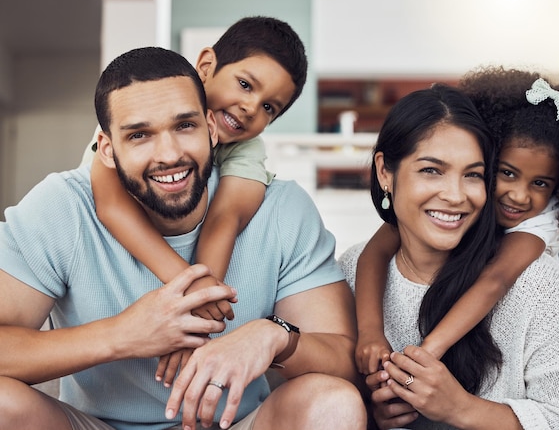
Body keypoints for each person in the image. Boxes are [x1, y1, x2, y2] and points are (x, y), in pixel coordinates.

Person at [0, 47, 366, 430]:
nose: (169, 154)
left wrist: (273, 337)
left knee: (333, 404)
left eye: (184, 126)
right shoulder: (63, 206)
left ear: (210, 127)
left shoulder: (281, 208)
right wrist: (123, 335)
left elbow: (343, 359)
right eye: (139, 135)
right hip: (95, 425)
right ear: (106, 149)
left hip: (236, 425)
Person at [339, 84, 559, 429]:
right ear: (385, 172)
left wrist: (460, 408)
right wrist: (374, 410)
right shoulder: (349, 269)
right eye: (431, 170)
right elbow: (373, 253)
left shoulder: (539, 283)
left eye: (473, 174)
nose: (454, 195)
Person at [84, 16, 308, 384]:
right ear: (206, 66)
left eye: (270, 108)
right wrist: (189, 289)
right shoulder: (135, 115)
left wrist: (198, 313)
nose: (252, 107)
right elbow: (111, 206)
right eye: (245, 84)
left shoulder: (247, 150)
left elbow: (226, 218)